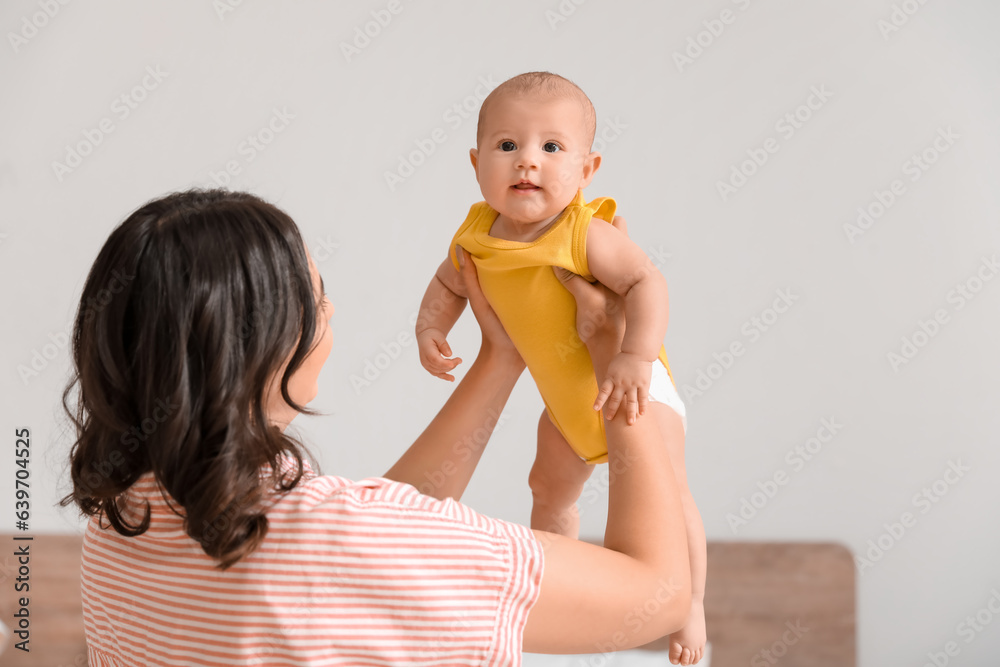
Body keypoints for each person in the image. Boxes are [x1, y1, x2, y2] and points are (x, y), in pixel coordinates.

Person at [59, 189, 691, 666]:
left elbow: (377, 536)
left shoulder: (122, 515)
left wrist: (502, 357)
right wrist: (616, 351)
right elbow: (657, 595)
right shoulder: (332, 540)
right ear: (260, 345)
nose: (329, 308)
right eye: (314, 294)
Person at [414, 71, 706, 665]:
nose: (528, 162)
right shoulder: (475, 234)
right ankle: (555, 574)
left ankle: (693, 600)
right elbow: (447, 284)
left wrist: (634, 356)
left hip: (635, 389)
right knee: (547, 487)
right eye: (507, 146)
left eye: (551, 148)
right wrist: (430, 328)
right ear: (476, 163)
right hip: (567, 407)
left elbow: (647, 281)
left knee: (672, 498)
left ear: (587, 170)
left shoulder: (583, 233)